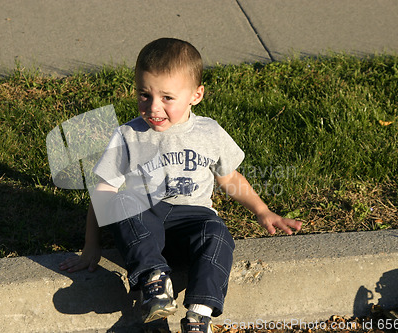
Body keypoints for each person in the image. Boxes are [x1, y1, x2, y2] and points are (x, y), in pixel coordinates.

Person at [59, 37, 302, 333]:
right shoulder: (127, 135)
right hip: (145, 225)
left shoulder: (208, 132)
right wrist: (91, 246)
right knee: (122, 201)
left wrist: (262, 211)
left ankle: (199, 315)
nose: (153, 107)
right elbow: (103, 193)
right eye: (144, 95)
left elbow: (228, 177)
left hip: (192, 220)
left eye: (167, 98)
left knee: (218, 234)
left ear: (195, 95)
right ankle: (155, 283)